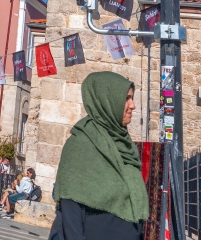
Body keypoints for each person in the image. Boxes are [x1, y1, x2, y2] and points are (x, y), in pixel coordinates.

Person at [50, 71, 148, 240]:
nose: (133, 105)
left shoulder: (125, 145)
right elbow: (71, 211)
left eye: (132, 98)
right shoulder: (81, 145)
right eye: (126, 98)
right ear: (107, 101)